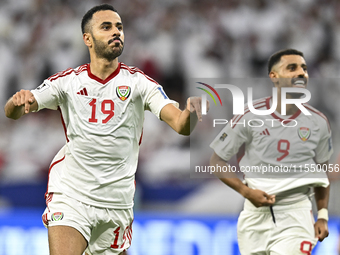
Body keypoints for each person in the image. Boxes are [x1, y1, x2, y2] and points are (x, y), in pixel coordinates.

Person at [4, 4, 205, 255]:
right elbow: (14, 112)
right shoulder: (68, 82)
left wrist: (191, 115)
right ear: (87, 39)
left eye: (119, 27)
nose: (116, 32)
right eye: (106, 27)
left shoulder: (139, 82)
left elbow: (180, 124)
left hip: (117, 203)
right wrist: (15, 102)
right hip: (72, 194)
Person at [210, 49, 332, 254]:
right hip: (254, 216)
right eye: (292, 68)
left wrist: (322, 215)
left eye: (304, 68)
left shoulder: (318, 122)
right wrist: (246, 191)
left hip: (296, 213)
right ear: (274, 76)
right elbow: (217, 161)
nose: (301, 73)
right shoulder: (249, 116)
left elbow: (322, 174)